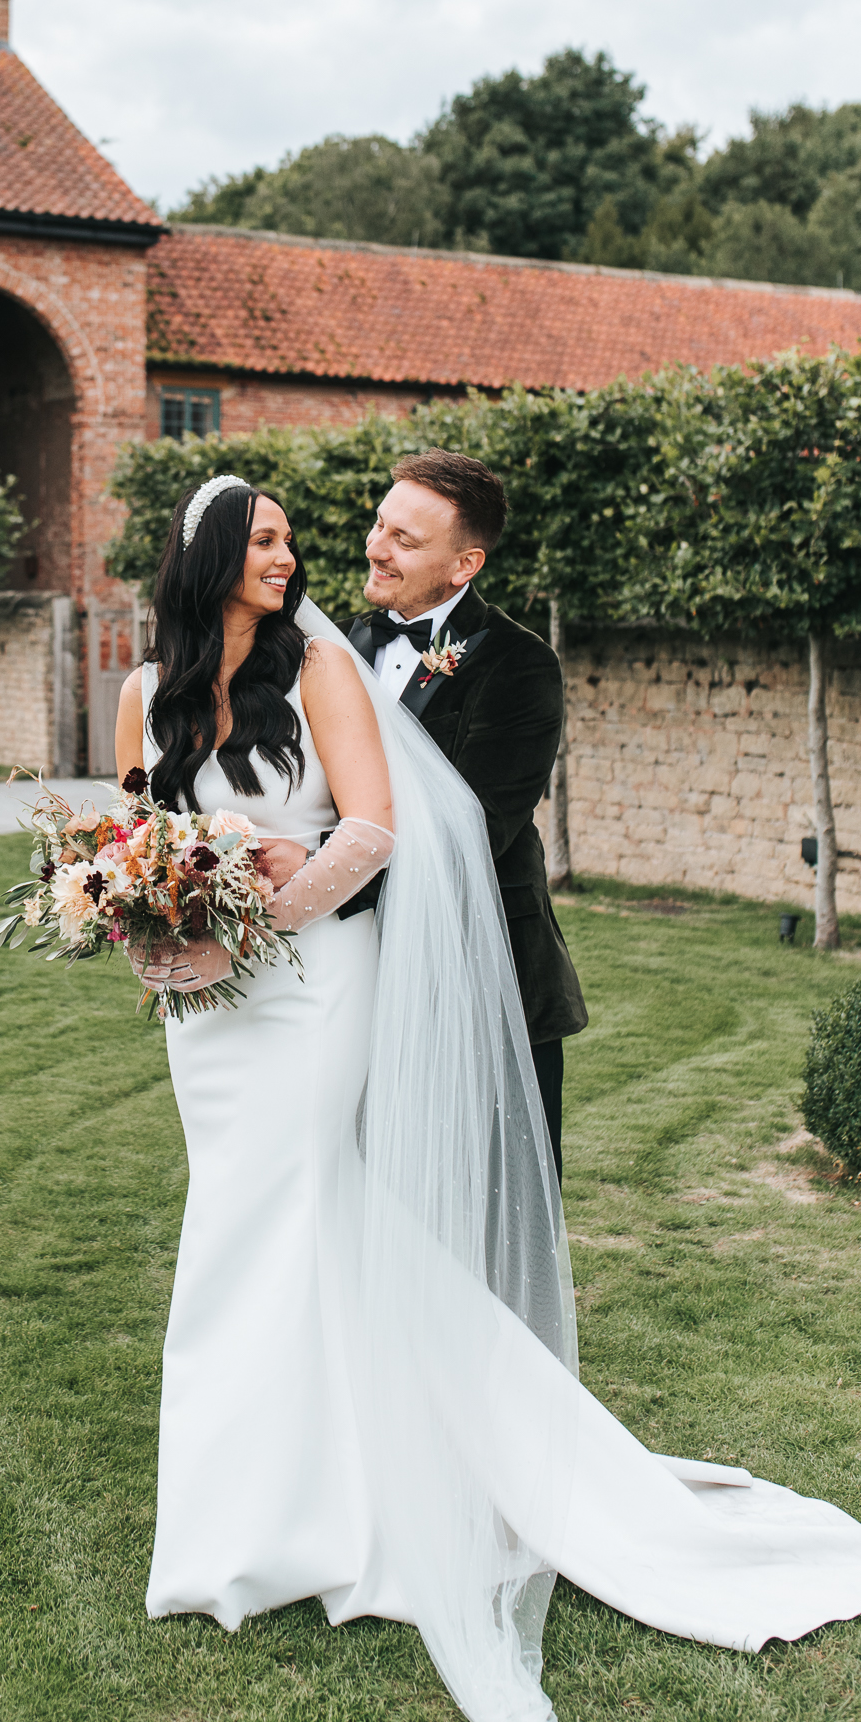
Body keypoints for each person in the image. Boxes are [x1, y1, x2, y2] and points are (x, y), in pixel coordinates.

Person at [117, 471, 861, 1722]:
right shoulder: (193, 676)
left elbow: (420, 830)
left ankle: (395, 1497)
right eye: (286, 535)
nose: (331, 548)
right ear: (203, 558)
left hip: (341, 985)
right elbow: (145, 841)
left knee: (323, 1215)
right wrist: (154, 931)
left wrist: (257, 917)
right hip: (215, 1024)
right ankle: (262, 1513)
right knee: (279, 1237)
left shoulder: (446, 666)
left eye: (392, 534)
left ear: (466, 558)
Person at [347, 448, 584, 1183]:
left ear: (464, 565)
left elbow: (471, 832)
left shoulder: (519, 665)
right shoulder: (346, 644)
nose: (377, 549)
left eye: (405, 541)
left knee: (498, 1203)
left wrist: (318, 876)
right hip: (358, 970)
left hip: (487, 975)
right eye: (380, 525)